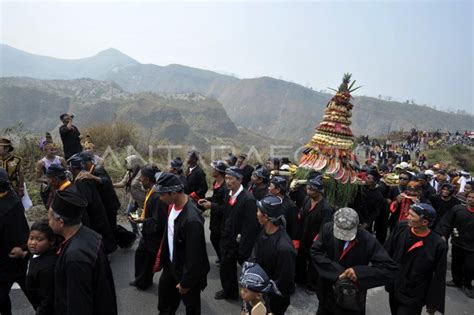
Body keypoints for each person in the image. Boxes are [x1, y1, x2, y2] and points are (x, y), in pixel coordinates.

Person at [311, 208, 398, 315]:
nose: (343, 237)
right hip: (326, 293)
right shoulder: (327, 229)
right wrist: (338, 272)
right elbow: (315, 252)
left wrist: (359, 272)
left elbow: (389, 269)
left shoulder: (367, 239)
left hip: (351, 299)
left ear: (357, 226)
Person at [48, 189, 117, 314]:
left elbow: (79, 305)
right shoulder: (90, 235)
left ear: (61, 222)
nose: (48, 222)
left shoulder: (75, 258)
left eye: (49, 219)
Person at [153, 172, 210, 315]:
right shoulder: (172, 205)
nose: (160, 198)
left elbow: (195, 257)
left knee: (191, 307)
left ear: (173, 193)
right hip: (171, 265)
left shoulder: (192, 220)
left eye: (162, 194)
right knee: (165, 302)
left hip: (186, 271)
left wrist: (186, 283)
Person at [385, 203, 447, 315]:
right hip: (395, 286)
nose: (408, 217)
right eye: (409, 214)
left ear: (425, 222)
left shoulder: (437, 245)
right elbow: (387, 251)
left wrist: (433, 303)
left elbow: (439, 276)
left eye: (412, 216)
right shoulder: (401, 227)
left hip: (414, 294)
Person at [215, 166, 258, 301]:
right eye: (226, 178)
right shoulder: (229, 194)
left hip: (237, 242)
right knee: (226, 268)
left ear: (239, 180)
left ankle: (234, 293)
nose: (227, 181)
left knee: (231, 268)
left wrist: (243, 249)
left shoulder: (248, 199)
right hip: (227, 238)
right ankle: (228, 290)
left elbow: (250, 228)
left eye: (231, 178)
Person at [251, 195, 296, 315]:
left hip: (273, 300)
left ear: (266, 217)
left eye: (259, 211)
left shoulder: (284, 248)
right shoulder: (263, 230)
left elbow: (285, 283)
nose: (256, 213)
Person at [67, 154, 117, 254]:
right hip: (100, 208)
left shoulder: (86, 177)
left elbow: (88, 199)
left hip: (101, 209)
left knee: (106, 231)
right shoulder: (84, 175)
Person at [8, 219, 59, 315]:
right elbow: (33, 258)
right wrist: (23, 254)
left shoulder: (48, 268)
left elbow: (48, 299)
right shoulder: (37, 252)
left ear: (51, 241)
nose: (33, 243)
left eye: (39, 240)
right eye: (31, 238)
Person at [129, 165, 167, 290]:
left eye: (141, 177)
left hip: (153, 237)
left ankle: (144, 282)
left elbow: (158, 222)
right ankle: (141, 280)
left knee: (146, 261)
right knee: (140, 257)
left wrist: (142, 220)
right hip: (147, 233)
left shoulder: (157, 196)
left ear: (147, 179)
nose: (139, 180)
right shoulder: (151, 191)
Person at [0, 168, 30, 315]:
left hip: (11, 258)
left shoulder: (7, 207)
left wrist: (24, 249)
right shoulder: (11, 198)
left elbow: (19, 233)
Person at [295, 176, 333, 290]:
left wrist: (317, 242)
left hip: (314, 239)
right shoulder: (307, 199)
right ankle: (300, 279)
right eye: (308, 189)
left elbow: (324, 228)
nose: (308, 192)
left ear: (319, 192)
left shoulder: (325, 208)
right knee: (300, 258)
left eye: (311, 190)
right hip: (303, 235)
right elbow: (301, 213)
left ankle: (311, 285)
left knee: (313, 263)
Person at [435, 190, 474, 298]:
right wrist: (443, 235)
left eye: (473, 197)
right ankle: (456, 281)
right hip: (458, 243)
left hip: (472, 247)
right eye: (469, 197)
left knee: (470, 267)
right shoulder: (458, 209)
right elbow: (447, 222)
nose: (470, 199)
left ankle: (468, 285)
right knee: (456, 263)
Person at [198, 160, 228, 263]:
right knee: (214, 238)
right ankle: (221, 257)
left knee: (218, 240)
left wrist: (212, 205)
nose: (212, 170)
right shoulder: (216, 183)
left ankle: (224, 260)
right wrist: (207, 199)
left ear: (219, 172)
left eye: (214, 169)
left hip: (222, 220)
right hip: (215, 218)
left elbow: (226, 207)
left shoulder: (225, 188)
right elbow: (216, 199)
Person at [113, 155, 146, 234]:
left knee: (145, 217)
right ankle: (136, 231)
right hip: (134, 199)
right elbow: (123, 183)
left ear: (134, 163)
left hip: (143, 199)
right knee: (130, 213)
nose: (127, 164)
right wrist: (111, 185)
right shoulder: (129, 173)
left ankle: (143, 231)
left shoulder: (142, 173)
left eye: (128, 162)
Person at [35, 134, 67, 208]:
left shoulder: (60, 160)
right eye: (51, 150)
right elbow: (37, 178)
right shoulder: (41, 162)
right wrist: (47, 180)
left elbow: (67, 172)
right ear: (45, 150)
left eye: (55, 149)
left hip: (62, 184)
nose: (54, 151)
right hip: (49, 187)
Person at [267, 176, 299, 242]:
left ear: (278, 190)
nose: (268, 188)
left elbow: (294, 228)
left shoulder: (291, 207)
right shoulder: (268, 199)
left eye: (271, 186)